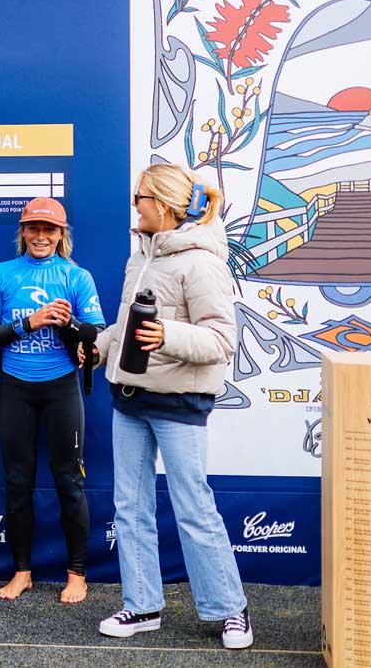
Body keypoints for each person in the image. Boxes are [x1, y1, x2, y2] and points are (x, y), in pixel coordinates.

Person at [92, 163, 251, 649]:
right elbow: (125, 327)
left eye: (138, 197)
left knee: (193, 508)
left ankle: (230, 611)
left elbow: (222, 340)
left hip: (180, 404)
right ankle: (142, 606)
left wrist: (167, 335)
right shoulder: (139, 256)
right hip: (129, 401)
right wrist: (98, 348)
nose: (133, 206)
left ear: (160, 203)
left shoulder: (201, 262)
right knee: (130, 507)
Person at [0, 197, 105, 603]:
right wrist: (31, 321)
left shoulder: (76, 276)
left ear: (62, 234)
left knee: (69, 483)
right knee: (17, 484)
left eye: (49, 229)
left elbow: (93, 338)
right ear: (23, 232)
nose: (41, 236)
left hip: (61, 387)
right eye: (33, 228)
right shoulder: (0, 273)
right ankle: (22, 572)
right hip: (16, 388)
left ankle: (77, 574)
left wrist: (71, 325)